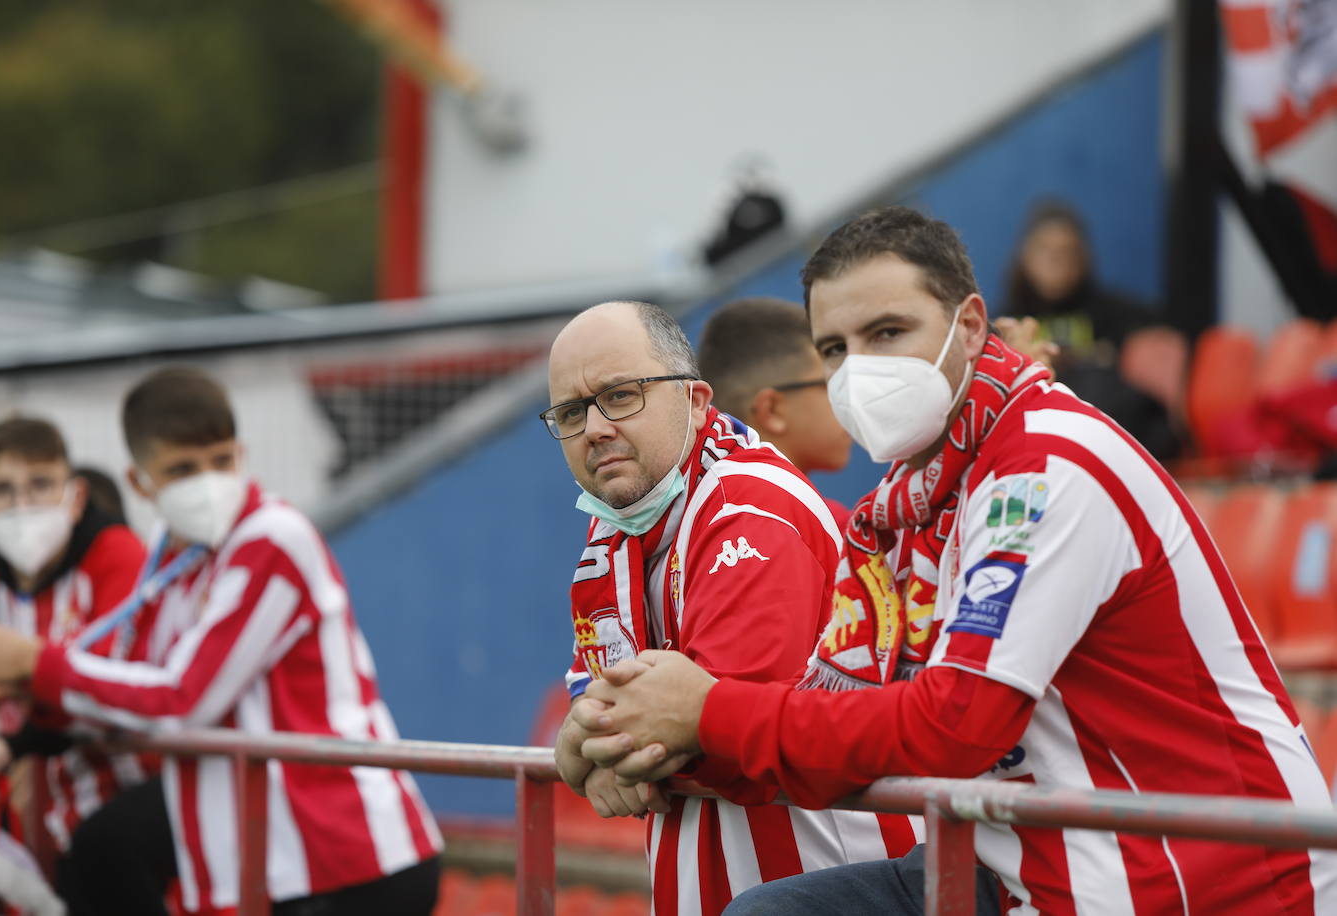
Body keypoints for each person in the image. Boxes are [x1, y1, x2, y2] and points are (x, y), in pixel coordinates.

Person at [572, 208, 1337, 914]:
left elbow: (955, 724)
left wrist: (705, 711)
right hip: (1032, 856)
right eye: (834, 349)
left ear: (970, 326)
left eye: (888, 332)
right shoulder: (908, 501)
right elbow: (840, 719)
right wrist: (625, 743)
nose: (858, 370)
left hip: (1200, 875)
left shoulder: (1042, 466)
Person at [0, 367, 444, 916]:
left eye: (220, 461)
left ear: (242, 454)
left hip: (349, 855)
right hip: (273, 857)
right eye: (182, 468)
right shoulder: (173, 560)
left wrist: (33, 662)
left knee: (106, 849)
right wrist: (12, 743)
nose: (207, 482)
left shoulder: (271, 539)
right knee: (100, 852)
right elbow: (127, 679)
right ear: (141, 482)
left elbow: (181, 698)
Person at [546, 301, 923, 916]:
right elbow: (604, 704)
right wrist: (582, 737)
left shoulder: (753, 508)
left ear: (696, 402)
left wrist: (586, 745)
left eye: (620, 396)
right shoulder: (613, 537)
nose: (594, 427)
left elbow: (717, 728)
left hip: (831, 884)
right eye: (570, 411)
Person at [0, 417, 148, 913]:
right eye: (2, 490)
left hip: (134, 806)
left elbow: (111, 687)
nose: (22, 506)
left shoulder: (118, 557)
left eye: (40, 485)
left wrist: (21, 677)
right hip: (37, 823)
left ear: (75, 496)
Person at [1003, 200, 1187, 459]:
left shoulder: (1116, 313)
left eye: (1067, 252)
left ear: (1083, 259)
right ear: (1025, 256)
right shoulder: (1007, 322)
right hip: (1037, 442)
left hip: (1109, 439)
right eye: (1045, 251)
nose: (1056, 262)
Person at [697, 297, 855, 525]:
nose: (848, 400)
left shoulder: (703, 518)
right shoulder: (822, 524)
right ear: (772, 410)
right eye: (832, 384)